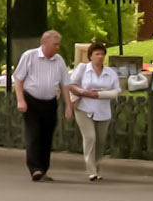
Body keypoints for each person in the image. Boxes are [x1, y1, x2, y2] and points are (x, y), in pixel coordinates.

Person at [13, 30, 67, 182]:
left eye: (58, 44)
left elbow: (65, 84)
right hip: (32, 101)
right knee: (34, 134)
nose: (57, 47)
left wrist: (68, 105)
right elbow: (18, 79)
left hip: (50, 102)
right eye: (55, 44)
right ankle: (35, 168)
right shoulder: (29, 56)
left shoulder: (59, 60)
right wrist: (20, 100)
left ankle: (43, 169)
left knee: (46, 137)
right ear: (45, 43)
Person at [65, 40, 120, 182]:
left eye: (102, 54)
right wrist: (83, 92)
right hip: (84, 108)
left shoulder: (110, 73)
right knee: (90, 137)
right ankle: (91, 171)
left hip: (103, 110)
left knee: (100, 141)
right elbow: (71, 84)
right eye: (97, 54)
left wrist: (98, 94)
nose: (100, 57)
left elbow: (116, 92)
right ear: (90, 56)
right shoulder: (83, 69)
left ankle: (97, 167)